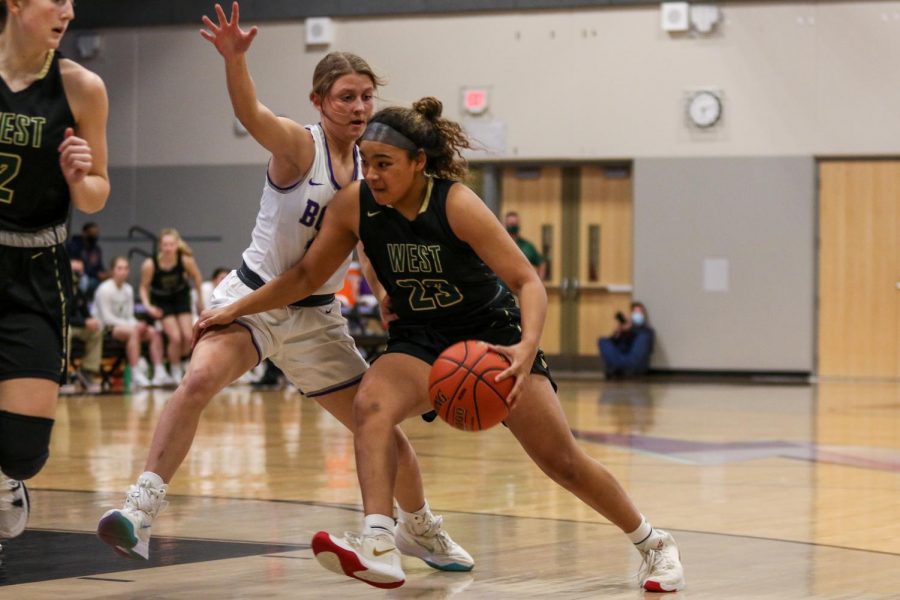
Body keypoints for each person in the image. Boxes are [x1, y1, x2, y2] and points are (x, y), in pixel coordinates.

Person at [196, 97, 685, 593]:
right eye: (368, 163)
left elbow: (528, 282)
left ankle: (654, 544)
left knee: (562, 462)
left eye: (385, 164)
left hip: (491, 340)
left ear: (418, 163)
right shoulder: (355, 206)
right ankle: (380, 544)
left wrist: (524, 349)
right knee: (370, 405)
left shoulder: (456, 204)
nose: (374, 174)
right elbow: (304, 275)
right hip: (419, 340)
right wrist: (239, 306)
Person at [96, 3, 472, 575]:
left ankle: (421, 528)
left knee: (385, 433)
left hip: (317, 316)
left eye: (367, 96)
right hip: (256, 299)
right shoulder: (301, 147)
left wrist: (381, 289)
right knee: (198, 378)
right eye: (346, 95)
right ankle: (139, 509)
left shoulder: (373, 172)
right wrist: (234, 61)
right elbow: (251, 112)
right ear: (319, 101)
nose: (359, 106)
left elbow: (362, 248)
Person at [0, 0, 110, 540]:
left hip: (36, 266)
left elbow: (96, 196)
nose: (67, 10)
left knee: (23, 451)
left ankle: (7, 478)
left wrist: (78, 177)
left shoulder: (81, 87)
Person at [93, 257, 171, 389]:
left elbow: (129, 315)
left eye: (126, 268)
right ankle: (136, 374)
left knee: (152, 332)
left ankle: (159, 371)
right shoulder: (104, 289)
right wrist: (134, 326)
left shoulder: (128, 289)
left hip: (126, 327)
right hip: (106, 328)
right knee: (134, 332)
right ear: (112, 271)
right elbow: (107, 318)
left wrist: (138, 324)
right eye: (119, 268)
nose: (123, 272)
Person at [139, 228, 204, 382]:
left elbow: (197, 278)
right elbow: (143, 287)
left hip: (180, 297)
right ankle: (174, 369)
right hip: (161, 300)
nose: (168, 248)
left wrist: (200, 300)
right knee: (175, 337)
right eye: (165, 245)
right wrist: (148, 306)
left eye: (171, 244)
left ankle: (181, 362)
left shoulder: (185, 260)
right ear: (160, 246)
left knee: (188, 336)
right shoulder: (150, 264)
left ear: (177, 245)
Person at [64, 258, 103, 394]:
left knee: (96, 331)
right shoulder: (60, 289)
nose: (78, 275)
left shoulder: (80, 291)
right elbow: (63, 316)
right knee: (66, 332)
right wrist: (84, 322)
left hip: (76, 326)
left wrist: (91, 321)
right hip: (62, 326)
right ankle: (63, 375)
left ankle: (87, 371)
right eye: (75, 272)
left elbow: (85, 313)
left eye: (80, 272)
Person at [598, 301, 654, 379]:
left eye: (640, 312)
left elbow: (645, 349)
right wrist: (618, 333)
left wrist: (632, 329)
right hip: (621, 356)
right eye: (635, 312)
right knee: (603, 341)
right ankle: (620, 367)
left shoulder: (647, 331)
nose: (637, 314)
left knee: (644, 337)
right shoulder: (624, 328)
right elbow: (615, 346)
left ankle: (622, 367)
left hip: (635, 361)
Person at [65, 221, 107, 299]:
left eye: (96, 233)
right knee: (85, 280)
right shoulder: (74, 245)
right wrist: (96, 273)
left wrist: (104, 274)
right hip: (77, 276)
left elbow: (99, 267)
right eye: (91, 233)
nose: (94, 236)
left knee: (106, 284)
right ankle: (79, 301)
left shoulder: (96, 249)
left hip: (93, 277)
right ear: (84, 233)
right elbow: (76, 265)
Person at [504, 211, 546, 279]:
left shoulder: (528, 246)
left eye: (515, 224)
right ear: (505, 225)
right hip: (502, 286)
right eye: (511, 224)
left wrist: (539, 283)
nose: (513, 226)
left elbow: (541, 263)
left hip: (521, 287)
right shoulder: (500, 244)